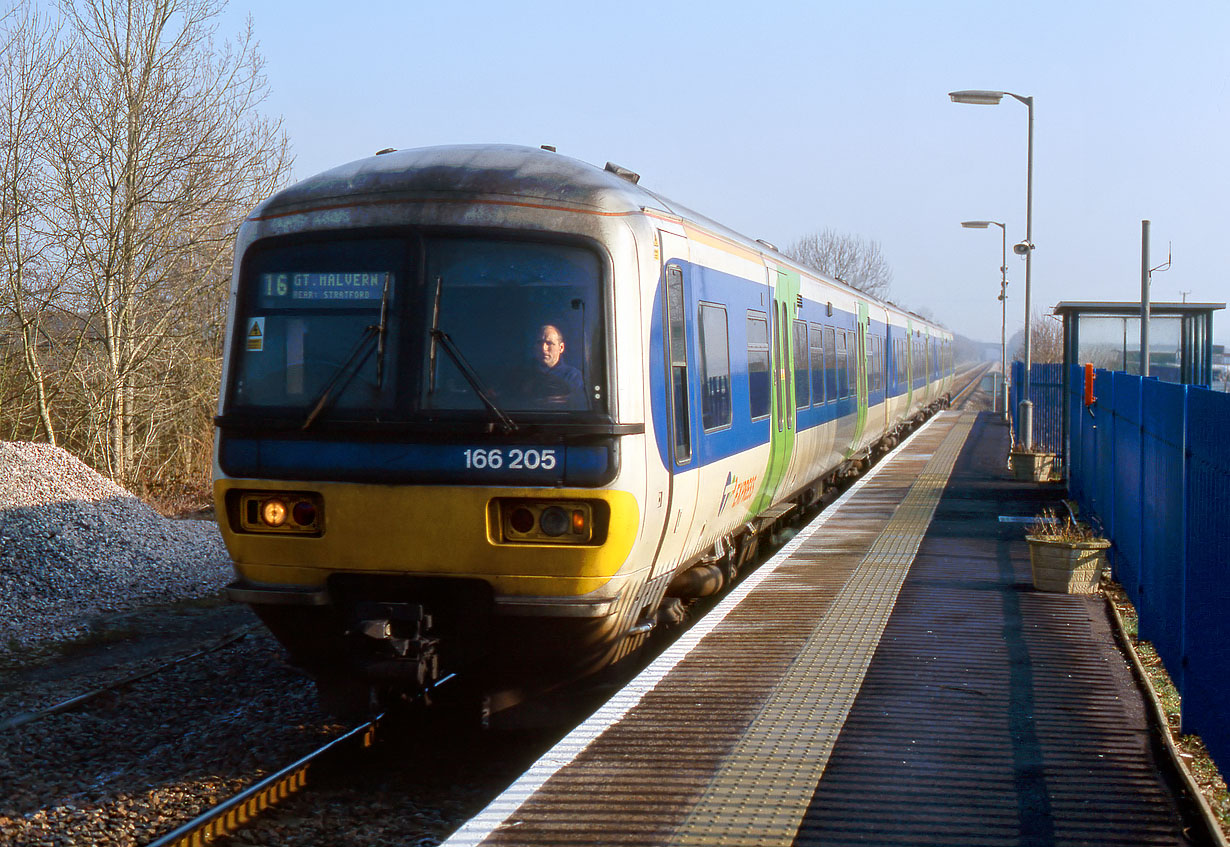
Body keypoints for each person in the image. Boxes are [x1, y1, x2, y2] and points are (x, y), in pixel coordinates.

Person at [518, 324, 584, 407]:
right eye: (539, 342)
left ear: (561, 348)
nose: (543, 348)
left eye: (549, 343)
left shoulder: (574, 377)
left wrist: (569, 401)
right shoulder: (521, 376)